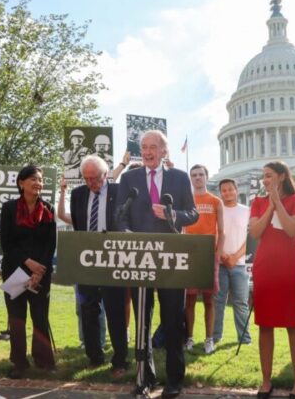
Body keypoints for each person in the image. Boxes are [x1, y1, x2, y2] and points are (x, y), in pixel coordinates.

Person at [116, 129, 198, 399]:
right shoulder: (129, 178)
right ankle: (145, 377)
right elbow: (121, 215)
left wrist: (172, 214)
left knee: (173, 320)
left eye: (153, 146)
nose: (148, 151)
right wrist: (126, 233)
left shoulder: (179, 177)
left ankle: (174, 380)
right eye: (144, 147)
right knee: (143, 321)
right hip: (139, 258)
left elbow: (193, 214)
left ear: (164, 150)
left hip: (171, 260)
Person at [249, 161, 295, 399]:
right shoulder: (258, 202)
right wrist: (271, 206)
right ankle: (265, 381)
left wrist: (278, 203)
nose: (265, 180)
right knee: (265, 325)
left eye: (269, 175)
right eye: (263, 176)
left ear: (282, 177)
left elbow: (292, 229)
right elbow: (255, 232)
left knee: (293, 325)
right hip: (264, 267)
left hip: (288, 267)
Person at [71, 155, 129, 377]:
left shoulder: (118, 193)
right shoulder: (77, 195)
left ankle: (120, 361)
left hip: (113, 261)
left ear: (106, 175)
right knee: (88, 310)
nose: (90, 183)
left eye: (94, 179)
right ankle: (94, 357)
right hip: (87, 261)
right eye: (86, 179)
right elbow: (78, 227)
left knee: (115, 311)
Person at [0, 164, 57, 379]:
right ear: (21, 183)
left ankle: (43, 361)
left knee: (40, 316)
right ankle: (19, 363)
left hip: (40, 273)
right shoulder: (9, 209)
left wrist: (38, 270)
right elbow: (7, 242)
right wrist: (27, 262)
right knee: (17, 318)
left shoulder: (48, 209)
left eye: (40, 180)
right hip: (14, 270)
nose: (37, 183)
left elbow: (50, 244)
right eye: (33, 179)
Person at [57, 175, 107, 351]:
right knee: (81, 306)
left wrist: (123, 164)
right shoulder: (80, 217)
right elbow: (61, 215)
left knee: (100, 307)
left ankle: (100, 341)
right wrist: (63, 192)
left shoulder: (105, 210)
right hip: (82, 265)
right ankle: (85, 340)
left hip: (104, 262)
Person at [184, 164, 224, 355]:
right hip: (190, 252)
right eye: (194, 175)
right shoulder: (187, 200)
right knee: (189, 299)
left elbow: (222, 231)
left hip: (209, 253)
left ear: (207, 177)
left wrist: (218, 253)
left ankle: (209, 339)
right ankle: (189, 338)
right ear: (190, 179)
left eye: (201, 174)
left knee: (209, 300)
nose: (198, 178)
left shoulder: (216, 201)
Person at [213, 178, 252, 346]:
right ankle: (215, 337)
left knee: (241, 302)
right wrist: (221, 254)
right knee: (218, 301)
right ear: (220, 193)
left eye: (230, 189)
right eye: (224, 190)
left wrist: (235, 257)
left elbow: (251, 238)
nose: (227, 193)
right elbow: (213, 235)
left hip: (240, 263)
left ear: (236, 190)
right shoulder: (217, 211)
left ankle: (244, 339)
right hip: (220, 263)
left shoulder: (247, 211)